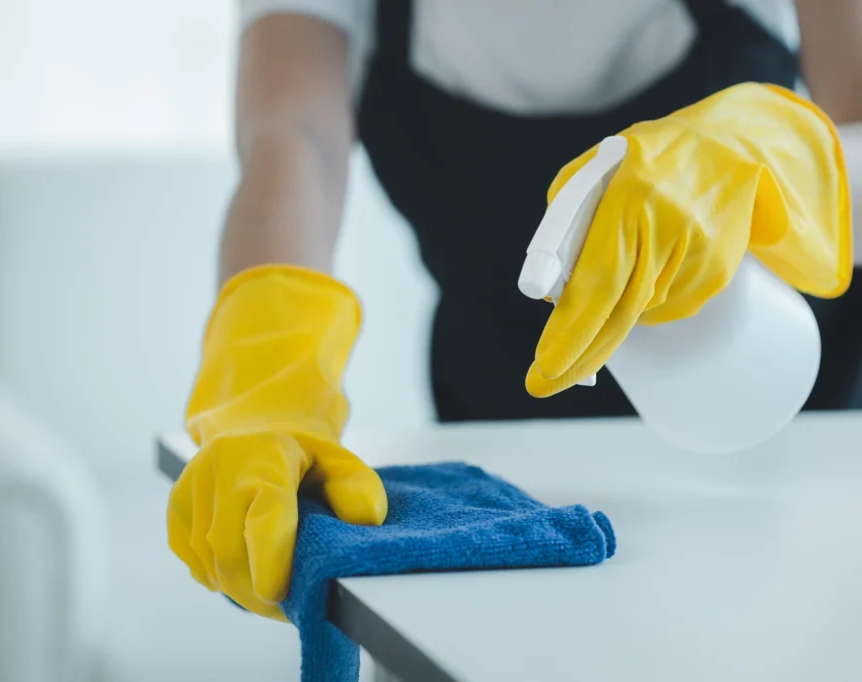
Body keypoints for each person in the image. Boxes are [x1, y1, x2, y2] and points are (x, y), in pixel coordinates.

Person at [168, 0, 862, 620]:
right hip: (501, 466)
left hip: (788, 432)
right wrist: (267, 377)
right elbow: (293, 139)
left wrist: (771, 153)